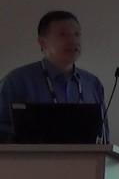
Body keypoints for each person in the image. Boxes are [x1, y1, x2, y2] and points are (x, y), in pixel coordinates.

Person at [0, 10, 108, 143]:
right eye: (63, 35)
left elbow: (103, 136)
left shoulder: (92, 83)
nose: (73, 40)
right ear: (42, 42)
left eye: (77, 34)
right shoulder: (17, 81)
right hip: (33, 156)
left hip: (85, 157)